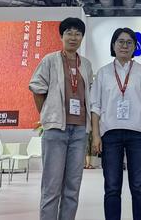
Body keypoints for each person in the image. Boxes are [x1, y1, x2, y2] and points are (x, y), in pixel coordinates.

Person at [90, 27, 141, 220]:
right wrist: (95, 135)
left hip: (138, 135)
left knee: (139, 187)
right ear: (113, 45)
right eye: (120, 41)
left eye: (129, 42)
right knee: (112, 187)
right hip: (110, 135)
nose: (124, 45)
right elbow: (95, 107)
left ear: (135, 47)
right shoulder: (103, 73)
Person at [28, 17, 93, 220]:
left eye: (78, 34)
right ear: (61, 36)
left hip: (80, 131)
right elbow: (37, 88)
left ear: (82, 37)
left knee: (73, 187)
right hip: (56, 130)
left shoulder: (86, 64)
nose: (73, 37)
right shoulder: (50, 60)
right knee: (52, 187)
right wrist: (47, 115)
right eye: (69, 33)